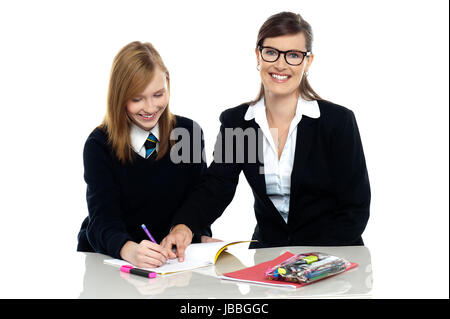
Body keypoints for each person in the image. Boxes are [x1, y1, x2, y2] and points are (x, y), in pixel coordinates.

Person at [161, 12, 371, 260]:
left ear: (308, 61)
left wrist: (310, 260)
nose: (280, 65)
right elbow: (218, 186)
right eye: (271, 52)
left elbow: (354, 208)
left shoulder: (336, 122)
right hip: (269, 259)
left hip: (332, 257)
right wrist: (184, 225)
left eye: (293, 55)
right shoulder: (240, 123)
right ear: (258, 55)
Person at [77, 41, 212, 267]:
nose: (150, 108)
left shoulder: (187, 133)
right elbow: (102, 220)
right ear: (119, 98)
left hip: (171, 264)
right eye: (137, 99)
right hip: (110, 260)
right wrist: (128, 250)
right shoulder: (99, 144)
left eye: (158, 94)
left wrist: (194, 233)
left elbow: (197, 202)